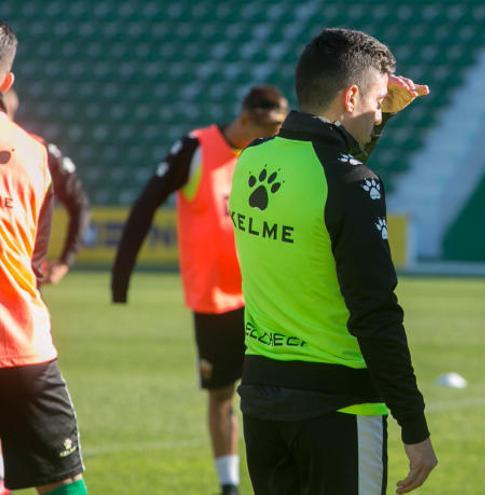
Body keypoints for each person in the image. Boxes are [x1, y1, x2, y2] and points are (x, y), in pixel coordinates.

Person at [229, 28, 437, 495]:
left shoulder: (250, 160)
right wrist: (415, 425)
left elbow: (327, 166)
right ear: (350, 96)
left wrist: (378, 116)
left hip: (262, 396)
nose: (377, 111)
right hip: (340, 407)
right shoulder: (351, 183)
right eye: (377, 100)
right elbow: (375, 312)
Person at [111, 85, 288, 495]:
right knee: (222, 394)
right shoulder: (195, 148)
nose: (272, 139)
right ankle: (229, 487)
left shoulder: (266, 155)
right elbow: (145, 205)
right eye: (267, 130)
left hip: (265, 296)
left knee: (275, 392)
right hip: (214, 299)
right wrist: (120, 280)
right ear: (245, 120)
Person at [0, 20, 88, 495]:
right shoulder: (34, 153)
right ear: (7, 83)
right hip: (22, 346)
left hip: (22, 346)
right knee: (63, 482)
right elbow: (33, 255)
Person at [1, 88, 91, 284]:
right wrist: (66, 261)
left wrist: (65, 261)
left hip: (20, 278)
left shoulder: (39, 150)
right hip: (21, 278)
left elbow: (79, 204)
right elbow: (80, 204)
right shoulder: (36, 151)